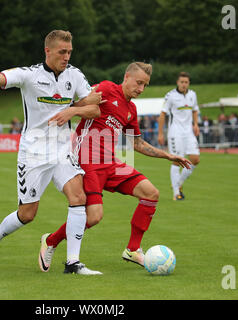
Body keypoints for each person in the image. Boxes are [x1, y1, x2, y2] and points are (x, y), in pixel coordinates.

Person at [0, 30, 103, 275]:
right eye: (62, 52)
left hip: (61, 151)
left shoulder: (75, 76)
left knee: (78, 197)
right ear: (47, 51)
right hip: (34, 152)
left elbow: (95, 109)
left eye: (69, 52)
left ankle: (73, 263)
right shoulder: (29, 75)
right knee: (27, 214)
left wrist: (73, 111)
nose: (66, 56)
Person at [38, 62, 192, 272]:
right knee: (94, 217)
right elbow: (80, 99)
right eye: (138, 83)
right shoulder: (107, 88)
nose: (141, 89)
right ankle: (51, 241)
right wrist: (72, 110)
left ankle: (133, 249)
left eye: (145, 85)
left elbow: (136, 144)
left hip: (111, 163)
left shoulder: (131, 109)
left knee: (151, 193)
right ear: (126, 77)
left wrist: (168, 155)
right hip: (88, 162)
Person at [158, 72, 200, 201]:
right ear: (177, 82)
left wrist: (196, 124)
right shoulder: (170, 96)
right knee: (177, 160)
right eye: (181, 82)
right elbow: (163, 114)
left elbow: (195, 110)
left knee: (195, 159)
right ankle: (176, 193)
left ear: (189, 83)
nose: (183, 84)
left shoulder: (192, 95)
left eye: (186, 82)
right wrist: (160, 133)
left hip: (189, 132)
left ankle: (178, 183)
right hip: (175, 132)